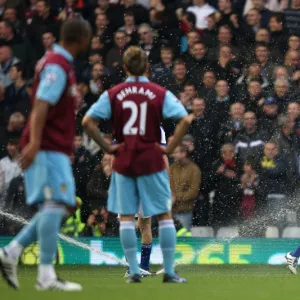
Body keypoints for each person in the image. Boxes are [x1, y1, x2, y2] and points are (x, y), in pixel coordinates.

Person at [82, 46, 195, 283]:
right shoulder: (157, 92)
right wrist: (169, 148)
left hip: (124, 163)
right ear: (146, 68)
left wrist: (107, 147)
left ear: (124, 68)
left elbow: (87, 122)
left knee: (126, 218)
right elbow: (185, 119)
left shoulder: (114, 93)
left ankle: (134, 271)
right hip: (151, 163)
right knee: (163, 216)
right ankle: (169, 271)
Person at [0, 19, 91, 291]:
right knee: (57, 204)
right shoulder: (57, 65)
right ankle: (45, 274)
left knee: (54, 206)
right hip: (48, 145)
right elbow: (41, 103)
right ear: (82, 39)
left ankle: (12, 253)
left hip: (52, 145)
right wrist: (37, 141)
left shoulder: (54, 62)